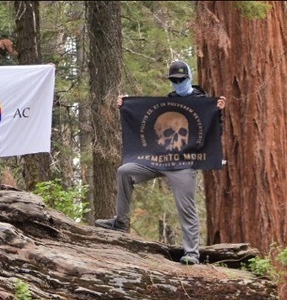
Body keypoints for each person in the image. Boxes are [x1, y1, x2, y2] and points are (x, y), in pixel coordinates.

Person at [95, 60, 227, 265]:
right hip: (159, 160)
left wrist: (218, 112)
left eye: (181, 79)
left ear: (189, 78)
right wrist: (126, 107)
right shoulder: (168, 102)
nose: (178, 82)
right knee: (125, 171)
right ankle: (120, 222)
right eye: (174, 80)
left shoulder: (203, 102)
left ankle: (192, 253)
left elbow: (215, 133)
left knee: (187, 207)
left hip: (184, 164)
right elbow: (146, 126)